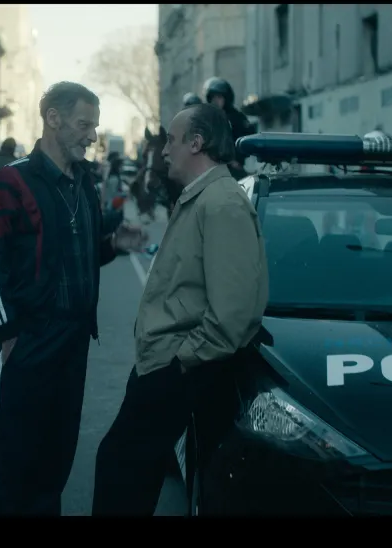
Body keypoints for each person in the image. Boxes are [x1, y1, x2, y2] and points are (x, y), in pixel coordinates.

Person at [0, 82, 147, 515]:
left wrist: (111, 244)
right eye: (85, 125)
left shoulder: (84, 183)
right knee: (12, 455)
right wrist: (8, 330)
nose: (92, 136)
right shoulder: (12, 180)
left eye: (95, 127)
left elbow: (78, 255)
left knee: (57, 454)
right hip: (30, 338)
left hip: (74, 340)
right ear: (54, 119)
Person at [91, 103, 269, 515]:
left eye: (172, 140)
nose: (164, 150)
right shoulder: (203, 198)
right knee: (131, 469)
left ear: (197, 142)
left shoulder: (221, 204)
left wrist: (180, 362)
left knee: (120, 466)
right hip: (168, 363)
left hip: (179, 368)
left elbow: (233, 310)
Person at [202, 77, 255, 180]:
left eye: (219, 97)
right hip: (210, 166)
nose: (216, 101)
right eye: (213, 98)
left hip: (232, 167)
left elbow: (248, 137)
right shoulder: (206, 117)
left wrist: (236, 160)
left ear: (226, 98)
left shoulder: (237, 117)